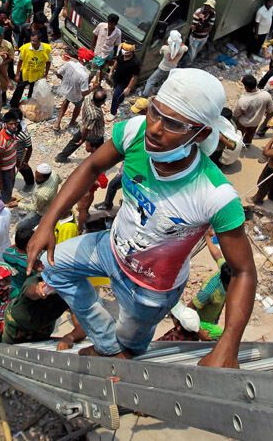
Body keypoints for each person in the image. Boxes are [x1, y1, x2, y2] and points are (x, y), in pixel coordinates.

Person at [29, 69, 256, 365]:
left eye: (172, 123)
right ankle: (103, 340)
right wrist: (47, 222)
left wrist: (228, 344)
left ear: (199, 133)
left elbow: (243, 272)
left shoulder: (215, 194)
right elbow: (90, 167)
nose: (155, 128)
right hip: (109, 250)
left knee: (130, 345)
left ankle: (116, 350)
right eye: (154, 112)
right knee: (51, 264)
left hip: (151, 290)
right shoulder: (135, 132)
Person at [3, 266, 86, 346]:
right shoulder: (36, 280)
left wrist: (69, 338)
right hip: (16, 326)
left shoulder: (73, 292)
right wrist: (39, 290)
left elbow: (82, 328)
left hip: (42, 331)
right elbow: (31, 292)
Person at [56, 88, 106, 163]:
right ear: (102, 102)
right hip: (94, 133)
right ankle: (93, 163)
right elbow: (87, 128)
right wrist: (83, 140)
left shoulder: (89, 99)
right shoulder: (94, 114)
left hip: (84, 125)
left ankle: (61, 157)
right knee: (98, 149)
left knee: (74, 143)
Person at [54, 49, 91, 132]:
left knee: (66, 102)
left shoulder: (69, 64)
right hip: (77, 95)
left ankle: (57, 122)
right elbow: (84, 93)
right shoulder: (84, 75)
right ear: (87, 61)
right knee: (78, 106)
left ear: (79, 57)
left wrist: (63, 80)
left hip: (66, 90)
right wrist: (93, 88)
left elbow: (57, 73)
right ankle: (72, 123)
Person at [142, 30, 188, 96]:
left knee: (151, 81)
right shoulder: (182, 49)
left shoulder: (164, 48)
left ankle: (144, 95)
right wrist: (180, 44)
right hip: (172, 69)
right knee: (165, 82)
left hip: (162, 68)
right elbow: (186, 48)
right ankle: (156, 91)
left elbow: (160, 52)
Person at [233, 74, 273, 146]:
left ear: (246, 87)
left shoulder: (243, 100)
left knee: (239, 135)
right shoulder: (266, 95)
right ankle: (247, 144)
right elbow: (270, 110)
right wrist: (267, 120)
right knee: (250, 134)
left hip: (243, 123)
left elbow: (236, 114)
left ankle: (237, 146)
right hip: (256, 122)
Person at [0, 111, 21, 202]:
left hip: (11, 165)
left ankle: (4, 197)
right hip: (5, 170)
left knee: (10, 185)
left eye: (15, 124)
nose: (14, 126)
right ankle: (4, 202)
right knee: (7, 188)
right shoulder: (1, 142)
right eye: (11, 124)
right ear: (6, 124)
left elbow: (1, 125)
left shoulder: (12, 131)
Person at [108, 44, 140, 116]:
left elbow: (134, 76)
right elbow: (116, 62)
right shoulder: (121, 56)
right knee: (117, 92)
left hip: (125, 82)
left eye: (126, 50)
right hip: (116, 77)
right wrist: (111, 71)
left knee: (116, 96)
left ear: (131, 51)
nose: (124, 51)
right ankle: (120, 100)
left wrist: (128, 88)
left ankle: (113, 112)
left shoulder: (135, 63)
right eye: (123, 49)